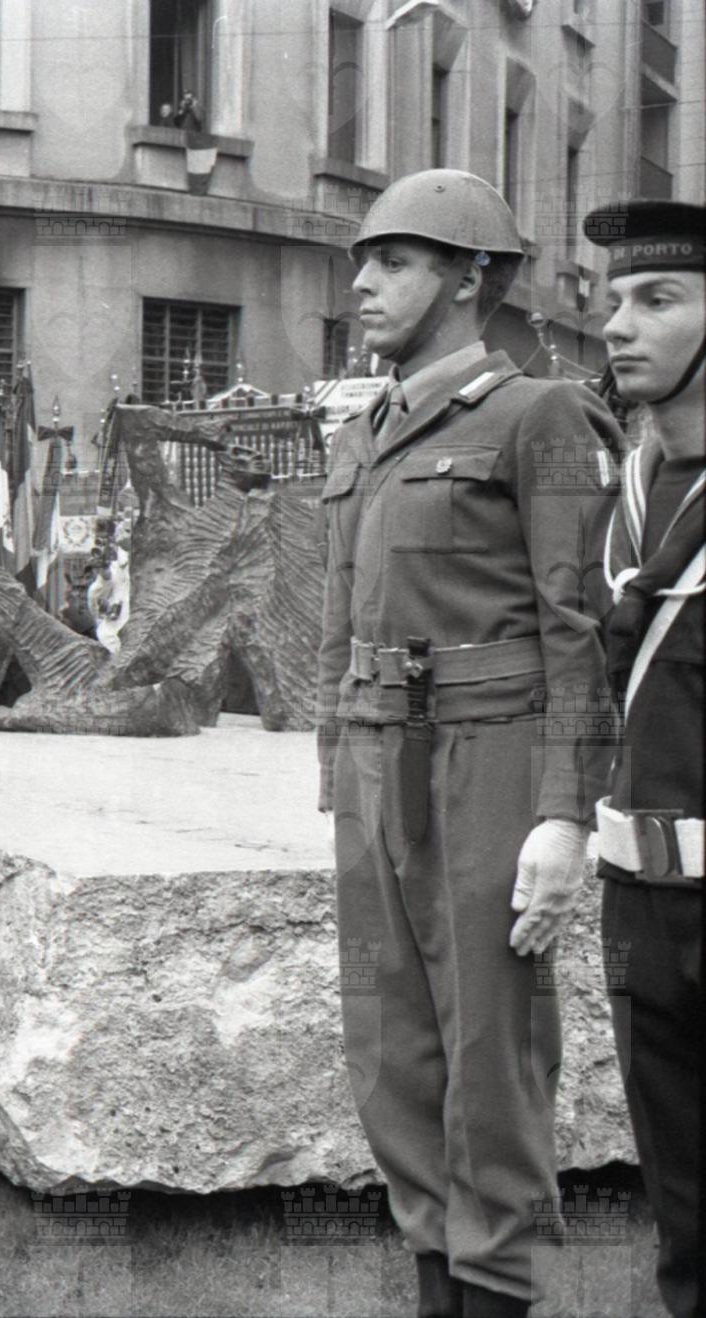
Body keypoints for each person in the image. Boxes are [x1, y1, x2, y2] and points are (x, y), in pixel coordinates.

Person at [316, 169, 620, 1318]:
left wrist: (562, 812)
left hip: (487, 759)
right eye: (362, 261)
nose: (363, 283)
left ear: (468, 280)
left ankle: (494, 1289)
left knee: (491, 1055)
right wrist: (335, 775)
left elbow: (576, 627)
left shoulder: (538, 416)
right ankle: (434, 1283)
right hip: (373, 766)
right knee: (388, 1053)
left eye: (393, 262)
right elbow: (341, 618)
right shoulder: (362, 432)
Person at [583, 197, 703, 1318]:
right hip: (638, 904)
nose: (617, 324)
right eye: (613, 298)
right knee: (682, 1218)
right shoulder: (624, 496)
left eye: (657, 299)